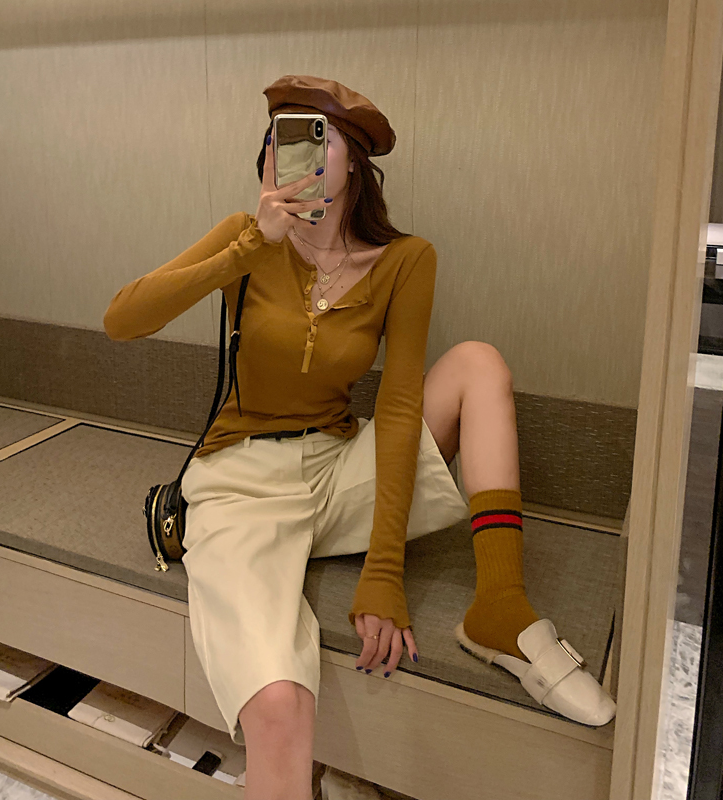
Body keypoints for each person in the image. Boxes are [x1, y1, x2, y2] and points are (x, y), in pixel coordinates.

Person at [104, 74, 614, 800]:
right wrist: (248, 246)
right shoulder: (244, 238)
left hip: (339, 465)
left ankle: (500, 606)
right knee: (278, 708)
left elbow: (401, 404)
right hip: (240, 482)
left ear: (355, 161)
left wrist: (384, 571)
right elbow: (121, 319)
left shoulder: (406, 259)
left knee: (478, 363)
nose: (292, 151)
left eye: (316, 135)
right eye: (279, 136)